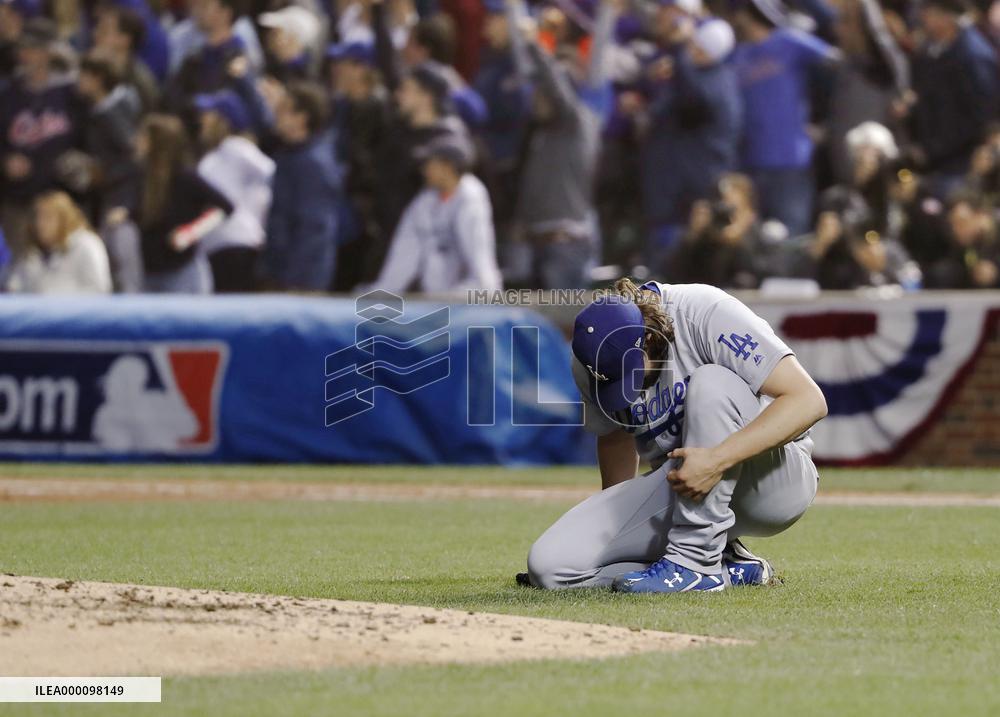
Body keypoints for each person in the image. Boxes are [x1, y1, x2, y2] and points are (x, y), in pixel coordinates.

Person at [522, 278, 827, 592]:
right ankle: (728, 565)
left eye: (632, 373)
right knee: (550, 568)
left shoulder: (703, 311)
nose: (629, 387)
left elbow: (808, 400)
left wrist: (718, 459)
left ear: (650, 337)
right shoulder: (592, 358)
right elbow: (615, 436)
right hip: (684, 488)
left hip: (772, 482)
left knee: (712, 384)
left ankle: (695, 562)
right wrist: (618, 539)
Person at [635, 18, 743, 260]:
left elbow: (696, 99)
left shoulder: (718, 82)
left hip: (688, 197)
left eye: (696, 47)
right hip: (667, 196)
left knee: (678, 271)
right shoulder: (691, 77)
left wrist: (679, 52)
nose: (690, 52)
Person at [730, 0, 840, 235]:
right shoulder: (737, 56)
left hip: (791, 161)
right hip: (752, 163)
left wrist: (825, 123)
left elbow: (838, 67)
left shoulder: (790, 41)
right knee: (756, 241)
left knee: (792, 237)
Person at [367, 134, 502, 292]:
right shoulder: (425, 201)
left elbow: (480, 263)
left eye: (430, 163)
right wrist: (384, 291)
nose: (424, 170)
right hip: (436, 299)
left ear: (448, 166)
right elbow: (405, 253)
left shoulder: (471, 197)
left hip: (473, 300)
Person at [0, 17, 83, 257]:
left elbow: (87, 140)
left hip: (63, 199)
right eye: (22, 48)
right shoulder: (8, 94)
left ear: (48, 52)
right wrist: (5, 161)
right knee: (23, 270)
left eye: (32, 49)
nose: (25, 55)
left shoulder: (71, 92)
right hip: (19, 201)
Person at [906, 0, 998, 196]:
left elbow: (982, 119)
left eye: (929, 11)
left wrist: (932, 149)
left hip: (960, 163)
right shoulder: (934, 49)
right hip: (935, 159)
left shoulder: (973, 57)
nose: (923, 17)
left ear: (946, 16)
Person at [133, 114, 234, 293]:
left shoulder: (185, 178)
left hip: (182, 272)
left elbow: (226, 206)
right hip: (151, 272)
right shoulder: (144, 179)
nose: (137, 142)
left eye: (144, 137)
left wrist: (191, 232)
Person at [261, 81, 342, 291]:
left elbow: (315, 228)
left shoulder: (313, 163)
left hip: (301, 279)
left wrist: (295, 281)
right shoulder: (287, 154)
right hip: (279, 270)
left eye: (283, 110)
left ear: (302, 117)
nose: (276, 115)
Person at [194, 89, 275, 293]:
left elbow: (272, 173)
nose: (202, 119)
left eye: (208, 114)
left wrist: (256, 211)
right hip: (216, 246)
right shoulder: (215, 153)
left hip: (236, 243)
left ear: (223, 120)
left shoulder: (236, 147)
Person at [5, 190, 112, 294]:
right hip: (37, 311)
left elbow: (100, 289)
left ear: (65, 219)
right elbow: (14, 288)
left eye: (48, 218)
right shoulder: (31, 252)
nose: (40, 225)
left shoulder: (87, 244)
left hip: (77, 311)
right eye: (37, 218)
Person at [90, 2, 160, 113]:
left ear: (125, 39)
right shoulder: (91, 70)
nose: (96, 34)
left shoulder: (140, 81)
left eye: (104, 31)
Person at [258, 4, 322, 83]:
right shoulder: (274, 65)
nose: (269, 36)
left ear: (291, 39)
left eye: (276, 33)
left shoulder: (299, 80)